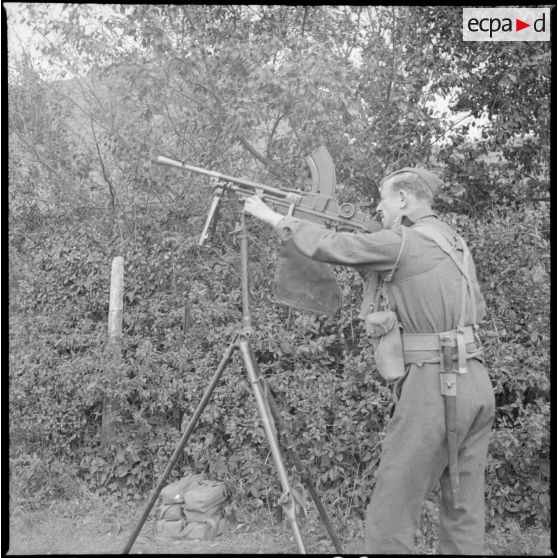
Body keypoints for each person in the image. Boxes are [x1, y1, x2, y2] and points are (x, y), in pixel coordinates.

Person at [243, 167, 495, 554]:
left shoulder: (405, 241)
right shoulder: (452, 240)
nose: (377, 207)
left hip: (435, 386)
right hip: (474, 380)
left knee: (390, 512)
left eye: (382, 197)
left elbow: (335, 246)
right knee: (463, 509)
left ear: (404, 199)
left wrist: (273, 217)